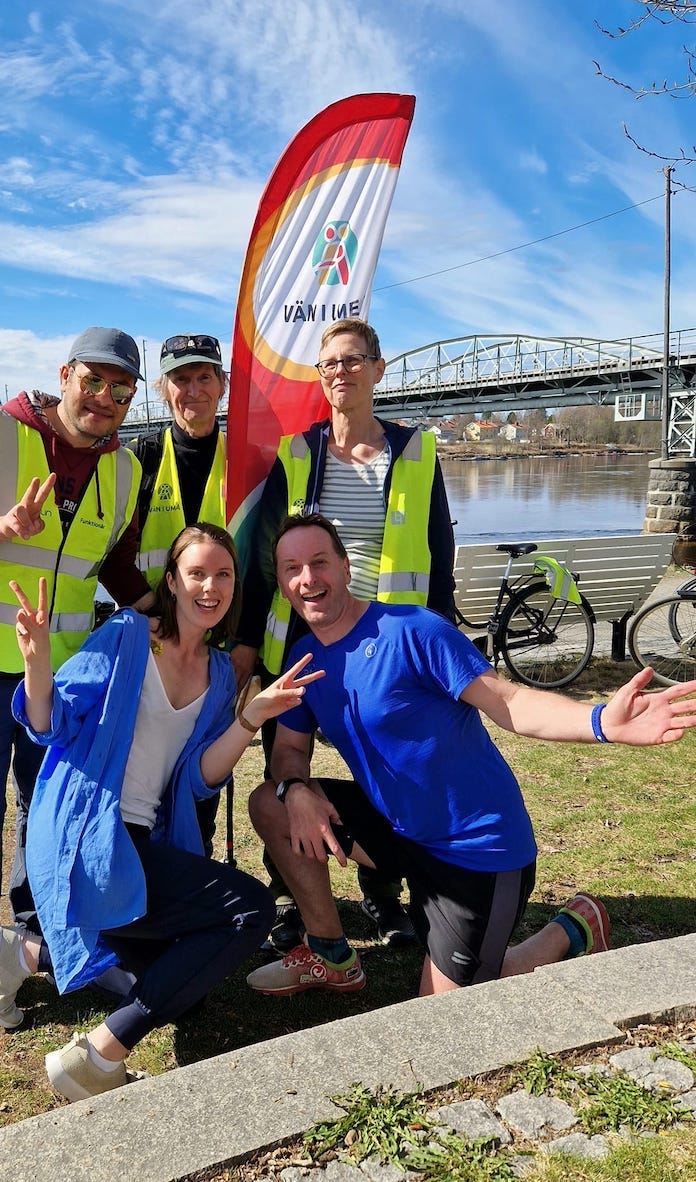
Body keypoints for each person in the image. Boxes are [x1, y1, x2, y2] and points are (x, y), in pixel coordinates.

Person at [245, 514, 696, 999]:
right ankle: (332, 956)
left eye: (319, 562)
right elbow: (290, 749)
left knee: (441, 1012)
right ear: (284, 586)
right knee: (269, 801)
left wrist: (600, 721)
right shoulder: (306, 659)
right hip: (399, 834)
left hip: (477, 853)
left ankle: (570, 929)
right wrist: (295, 789)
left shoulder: (411, 630)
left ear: (347, 567)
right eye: (292, 568)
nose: (308, 578)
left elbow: (509, 702)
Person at [0, 524, 320, 1102]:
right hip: (89, 834)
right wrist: (37, 662)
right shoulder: (127, 636)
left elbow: (197, 779)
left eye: (223, 575)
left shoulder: (216, 675)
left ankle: (25, 952)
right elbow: (50, 724)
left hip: (141, 841)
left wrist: (249, 718)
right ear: (172, 580)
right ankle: (97, 1056)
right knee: (249, 910)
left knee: (189, 987)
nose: (210, 587)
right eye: (197, 573)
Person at [0, 326, 155, 1037]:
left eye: (121, 389)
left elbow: (111, 567)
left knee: (47, 817)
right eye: (94, 381)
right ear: (65, 375)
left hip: (61, 680)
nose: (105, 399)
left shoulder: (125, 471)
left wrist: (175, 613)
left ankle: (30, 941)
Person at [231, 318, 456, 949]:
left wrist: (440, 639)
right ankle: (291, 895)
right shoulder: (298, 453)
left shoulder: (415, 452)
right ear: (320, 376)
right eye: (330, 363)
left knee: (392, 770)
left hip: (391, 648)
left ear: (378, 369)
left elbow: (439, 555)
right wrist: (249, 642)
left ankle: (387, 898)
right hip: (301, 645)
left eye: (354, 360)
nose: (341, 372)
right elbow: (262, 557)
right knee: (286, 772)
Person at [128, 333, 228, 852]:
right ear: (165, 391)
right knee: (144, 773)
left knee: (200, 779)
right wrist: (147, 608)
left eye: (204, 377)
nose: (193, 390)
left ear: (222, 386)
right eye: (181, 379)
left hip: (217, 652)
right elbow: (110, 550)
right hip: (153, 648)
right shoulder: (139, 458)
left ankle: (196, 875)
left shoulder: (249, 460)